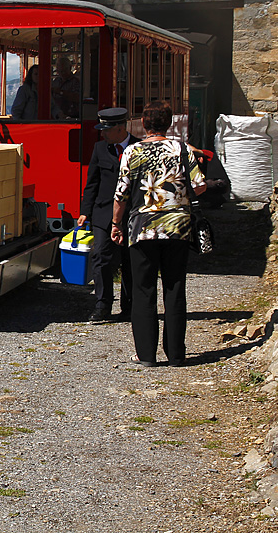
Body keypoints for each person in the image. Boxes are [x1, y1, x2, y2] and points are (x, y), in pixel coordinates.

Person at [110, 102, 205, 367]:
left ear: (143, 122)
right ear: (170, 122)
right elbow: (198, 187)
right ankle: (176, 354)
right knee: (175, 288)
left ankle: (146, 354)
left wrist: (116, 224)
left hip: (143, 228)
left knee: (143, 289)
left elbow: (121, 194)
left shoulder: (132, 151)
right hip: (178, 227)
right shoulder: (182, 149)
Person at [78, 107, 139, 322]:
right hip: (104, 212)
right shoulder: (100, 149)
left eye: (107, 129)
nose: (103, 134)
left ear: (120, 128)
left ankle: (130, 305)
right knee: (101, 257)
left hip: (132, 214)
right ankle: (103, 304)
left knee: (130, 261)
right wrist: (85, 211)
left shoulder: (138, 147)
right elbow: (92, 182)